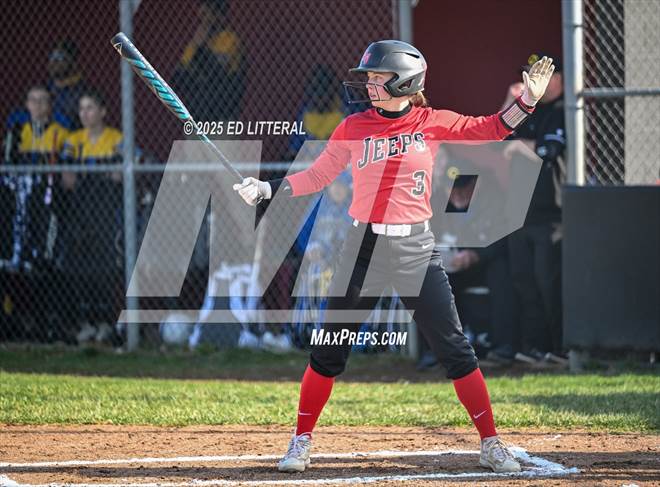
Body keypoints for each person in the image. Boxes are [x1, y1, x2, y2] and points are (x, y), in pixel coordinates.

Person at [233, 40, 555, 474]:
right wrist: (267, 189)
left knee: (456, 350)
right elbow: (317, 176)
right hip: (362, 249)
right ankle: (301, 440)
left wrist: (528, 101)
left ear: (404, 81)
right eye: (368, 77)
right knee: (328, 350)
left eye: (377, 77)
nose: (369, 84)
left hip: (415, 249)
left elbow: (492, 129)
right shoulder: (353, 127)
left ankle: (490, 443)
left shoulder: (432, 121)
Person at [501, 53, 566, 365]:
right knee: (523, 281)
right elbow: (501, 134)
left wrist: (521, 147)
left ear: (557, 78)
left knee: (548, 282)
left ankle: (561, 348)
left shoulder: (564, 110)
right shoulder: (530, 110)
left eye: (539, 75)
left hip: (551, 214)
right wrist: (510, 100)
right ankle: (534, 348)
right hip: (520, 212)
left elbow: (549, 150)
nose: (532, 80)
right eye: (528, 74)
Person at [60, 90, 124, 344]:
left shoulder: (116, 138)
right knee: (79, 267)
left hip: (106, 211)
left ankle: (105, 322)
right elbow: (68, 179)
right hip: (79, 212)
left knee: (105, 268)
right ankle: (86, 323)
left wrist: (87, 174)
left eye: (90, 108)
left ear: (102, 112)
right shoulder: (73, 140)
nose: (85, 113)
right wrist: (100, 173)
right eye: (81, 109)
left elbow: (119, 175)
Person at [172, 0, 244, 123]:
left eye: (207, 15)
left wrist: (200, 50)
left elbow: (217, 75)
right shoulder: (195, 44)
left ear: (218, 15)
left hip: (222, 118)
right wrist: (197, 46)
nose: (203, 22)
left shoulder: (228, 39)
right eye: (201, 17)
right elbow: (178, 78)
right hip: (196, 118)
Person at [47, 39, 88, 129]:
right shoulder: (46, 87)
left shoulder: (82, 89)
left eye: (59, 58)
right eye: (51, 57)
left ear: (72, 62)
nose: (54, 62)